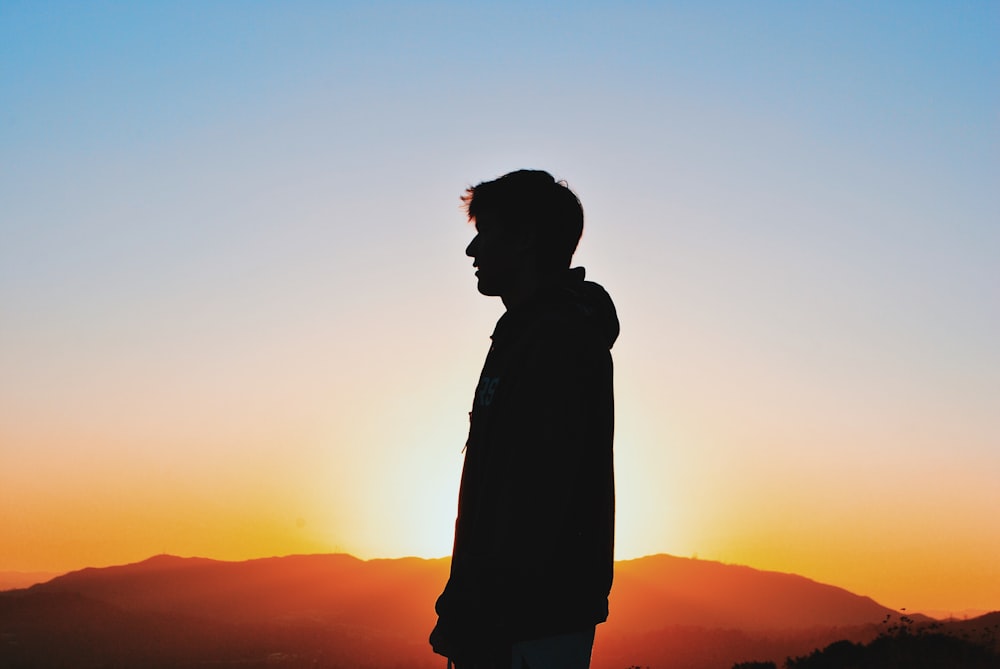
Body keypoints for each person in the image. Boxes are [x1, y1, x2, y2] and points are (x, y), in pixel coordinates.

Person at [430, 170, 619, 669]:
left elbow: (534, 492)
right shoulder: (525, 334)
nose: (472, 251)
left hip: (527, 625)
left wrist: (478, 613)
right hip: (512, 620)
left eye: (485, 232)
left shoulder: (557, 341)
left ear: (526, 239)